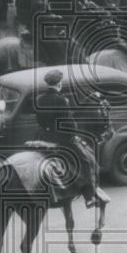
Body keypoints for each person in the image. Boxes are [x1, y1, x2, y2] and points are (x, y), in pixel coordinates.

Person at [34, 70, 97, 203]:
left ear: (48, 84)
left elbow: (40, 121)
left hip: (42, 136)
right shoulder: (61, 100)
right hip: (59, 138)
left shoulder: (39, 99)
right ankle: (89, 195)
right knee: (84, 161)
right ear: (59, 84)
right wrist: (73, 135)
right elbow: (66, 123)